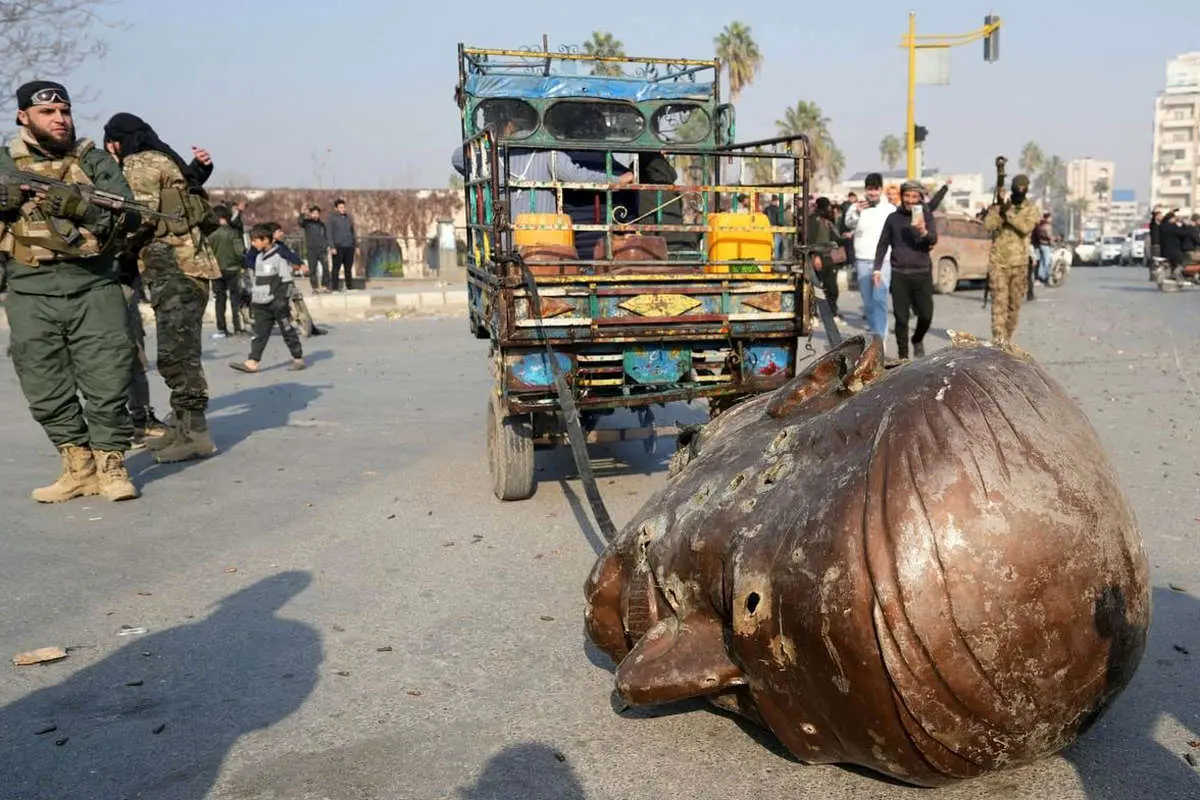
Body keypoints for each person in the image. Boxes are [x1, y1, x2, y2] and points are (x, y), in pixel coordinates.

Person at [0, 80, 141, 502]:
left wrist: (76, 205)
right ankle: (77, 465)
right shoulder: (5, 161)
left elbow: (129, 217)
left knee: (108, 375)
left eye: (64, 111)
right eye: (48, 113)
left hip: (93, 283)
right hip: (29, 288)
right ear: (24, 116)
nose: (60, 119)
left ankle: (111, 464)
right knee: (42, 380)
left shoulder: (93, 160)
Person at [104, 112, 221, 464]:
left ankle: (196, 434)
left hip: (176, 269)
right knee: (177, 351)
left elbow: (140, 217)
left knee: (178, 356)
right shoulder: (163, 159)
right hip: (183, 269)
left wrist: (109, 246)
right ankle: (180, 428)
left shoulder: (139, 163)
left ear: (115, 141)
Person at [874, 181, 939, 361]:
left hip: (922, 272)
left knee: (926, 315)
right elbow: (883, 243)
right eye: (907, 196)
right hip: (900, 274)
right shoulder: (893, 219)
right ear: (902, 197)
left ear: (919, 198)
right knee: (901, 319)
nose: (910, 200)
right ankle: (903, 357)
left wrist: (924, 231)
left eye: (914, 197)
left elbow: (934, 239)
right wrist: (877, 269)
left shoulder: (925, 215)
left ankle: (917, 339)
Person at [230, 224, 306, 373]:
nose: (253, 243)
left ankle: (298, 357)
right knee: (259, 333)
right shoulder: (258, 257)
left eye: (256, 240)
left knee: (287, 330)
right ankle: (252, 362)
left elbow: (287, 281)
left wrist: (282, 300)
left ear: (265, 240)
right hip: (260, 303)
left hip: (277, 302)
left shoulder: (279, 257)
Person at [983, 174, 1041, 347]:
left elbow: (1025, 227)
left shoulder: (1031, 208)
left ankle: (1007, 337)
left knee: (1014, 307)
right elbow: (988, 226)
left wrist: (1008, 213)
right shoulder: (1001, 207)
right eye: (1017, 187)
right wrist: (998, 210)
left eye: (1023, 188)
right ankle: (999, 342)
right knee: (999, 305)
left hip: (1020, 264)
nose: (1020, 190)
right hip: (998, 263)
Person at [842, 172, 895, 340]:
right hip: (863, 259)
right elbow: (848, 224)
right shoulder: (856, 207)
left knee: (880, 299)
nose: (872, 193)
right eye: (869, 189)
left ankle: (881, 338)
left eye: (876, 189)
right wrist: (857, 211)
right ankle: (875, 334)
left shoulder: (889, 209)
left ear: (881, 189)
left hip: (883, 261)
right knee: (869, 302)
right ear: (865, 190)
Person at [208, 204, 246, 338]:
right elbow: (240, 252)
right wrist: (243, 264)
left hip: (217, 270)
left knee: (219, 299)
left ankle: (221, 329)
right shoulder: (233, 233)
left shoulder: (211, 235)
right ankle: (237, 327)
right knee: (235, 299)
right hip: (233, 269)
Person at [806, 197, 842, 320]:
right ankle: (813, 314)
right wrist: (815, 256)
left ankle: (833, 312)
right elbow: (810, 240)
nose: (829, 209)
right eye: (827, 207)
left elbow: (836, 236)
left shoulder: (828, 219)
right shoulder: (813, 219)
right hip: (818, 257)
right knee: (816, 288)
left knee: (832, 287)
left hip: (829, 257)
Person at [297, 204, 330, 292]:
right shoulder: (307, 222)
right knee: (312, 270)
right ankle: (314, 287)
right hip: (311, 249)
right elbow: (300, 222)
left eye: (317, 213)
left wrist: (327, 245)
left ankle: (325, 286)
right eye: (314, 213)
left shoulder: (322, 224)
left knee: (326, 268)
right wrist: (302, 213)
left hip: (322, 249)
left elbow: (326, 236)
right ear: (311, 214)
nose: (315, 215)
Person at [327, 198, 356, 291]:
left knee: (348, 268)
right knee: (336, 268)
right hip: (338, 246)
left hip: (349, 246)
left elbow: (352, 232)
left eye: (343, 207)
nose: (342, 209)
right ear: (336, 208)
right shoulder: (332, 219)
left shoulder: (349, 218)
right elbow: (329, 233)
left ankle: (349, 287)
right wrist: (332, 246)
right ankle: (335, 288)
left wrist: (355, 244)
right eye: (340, 207)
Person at [1032, 212, 1054, 285]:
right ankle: (1045, 277)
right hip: (1045, 245)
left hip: (1040, 244)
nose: (1051, 219)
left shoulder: (1040, 225)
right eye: (1050, 218)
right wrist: (1053, 240)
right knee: (1046, 262)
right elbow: (1049, 236)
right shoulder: (1046, 226)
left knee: (1041, 261)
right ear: (1047, 218)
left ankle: (1040, 276)